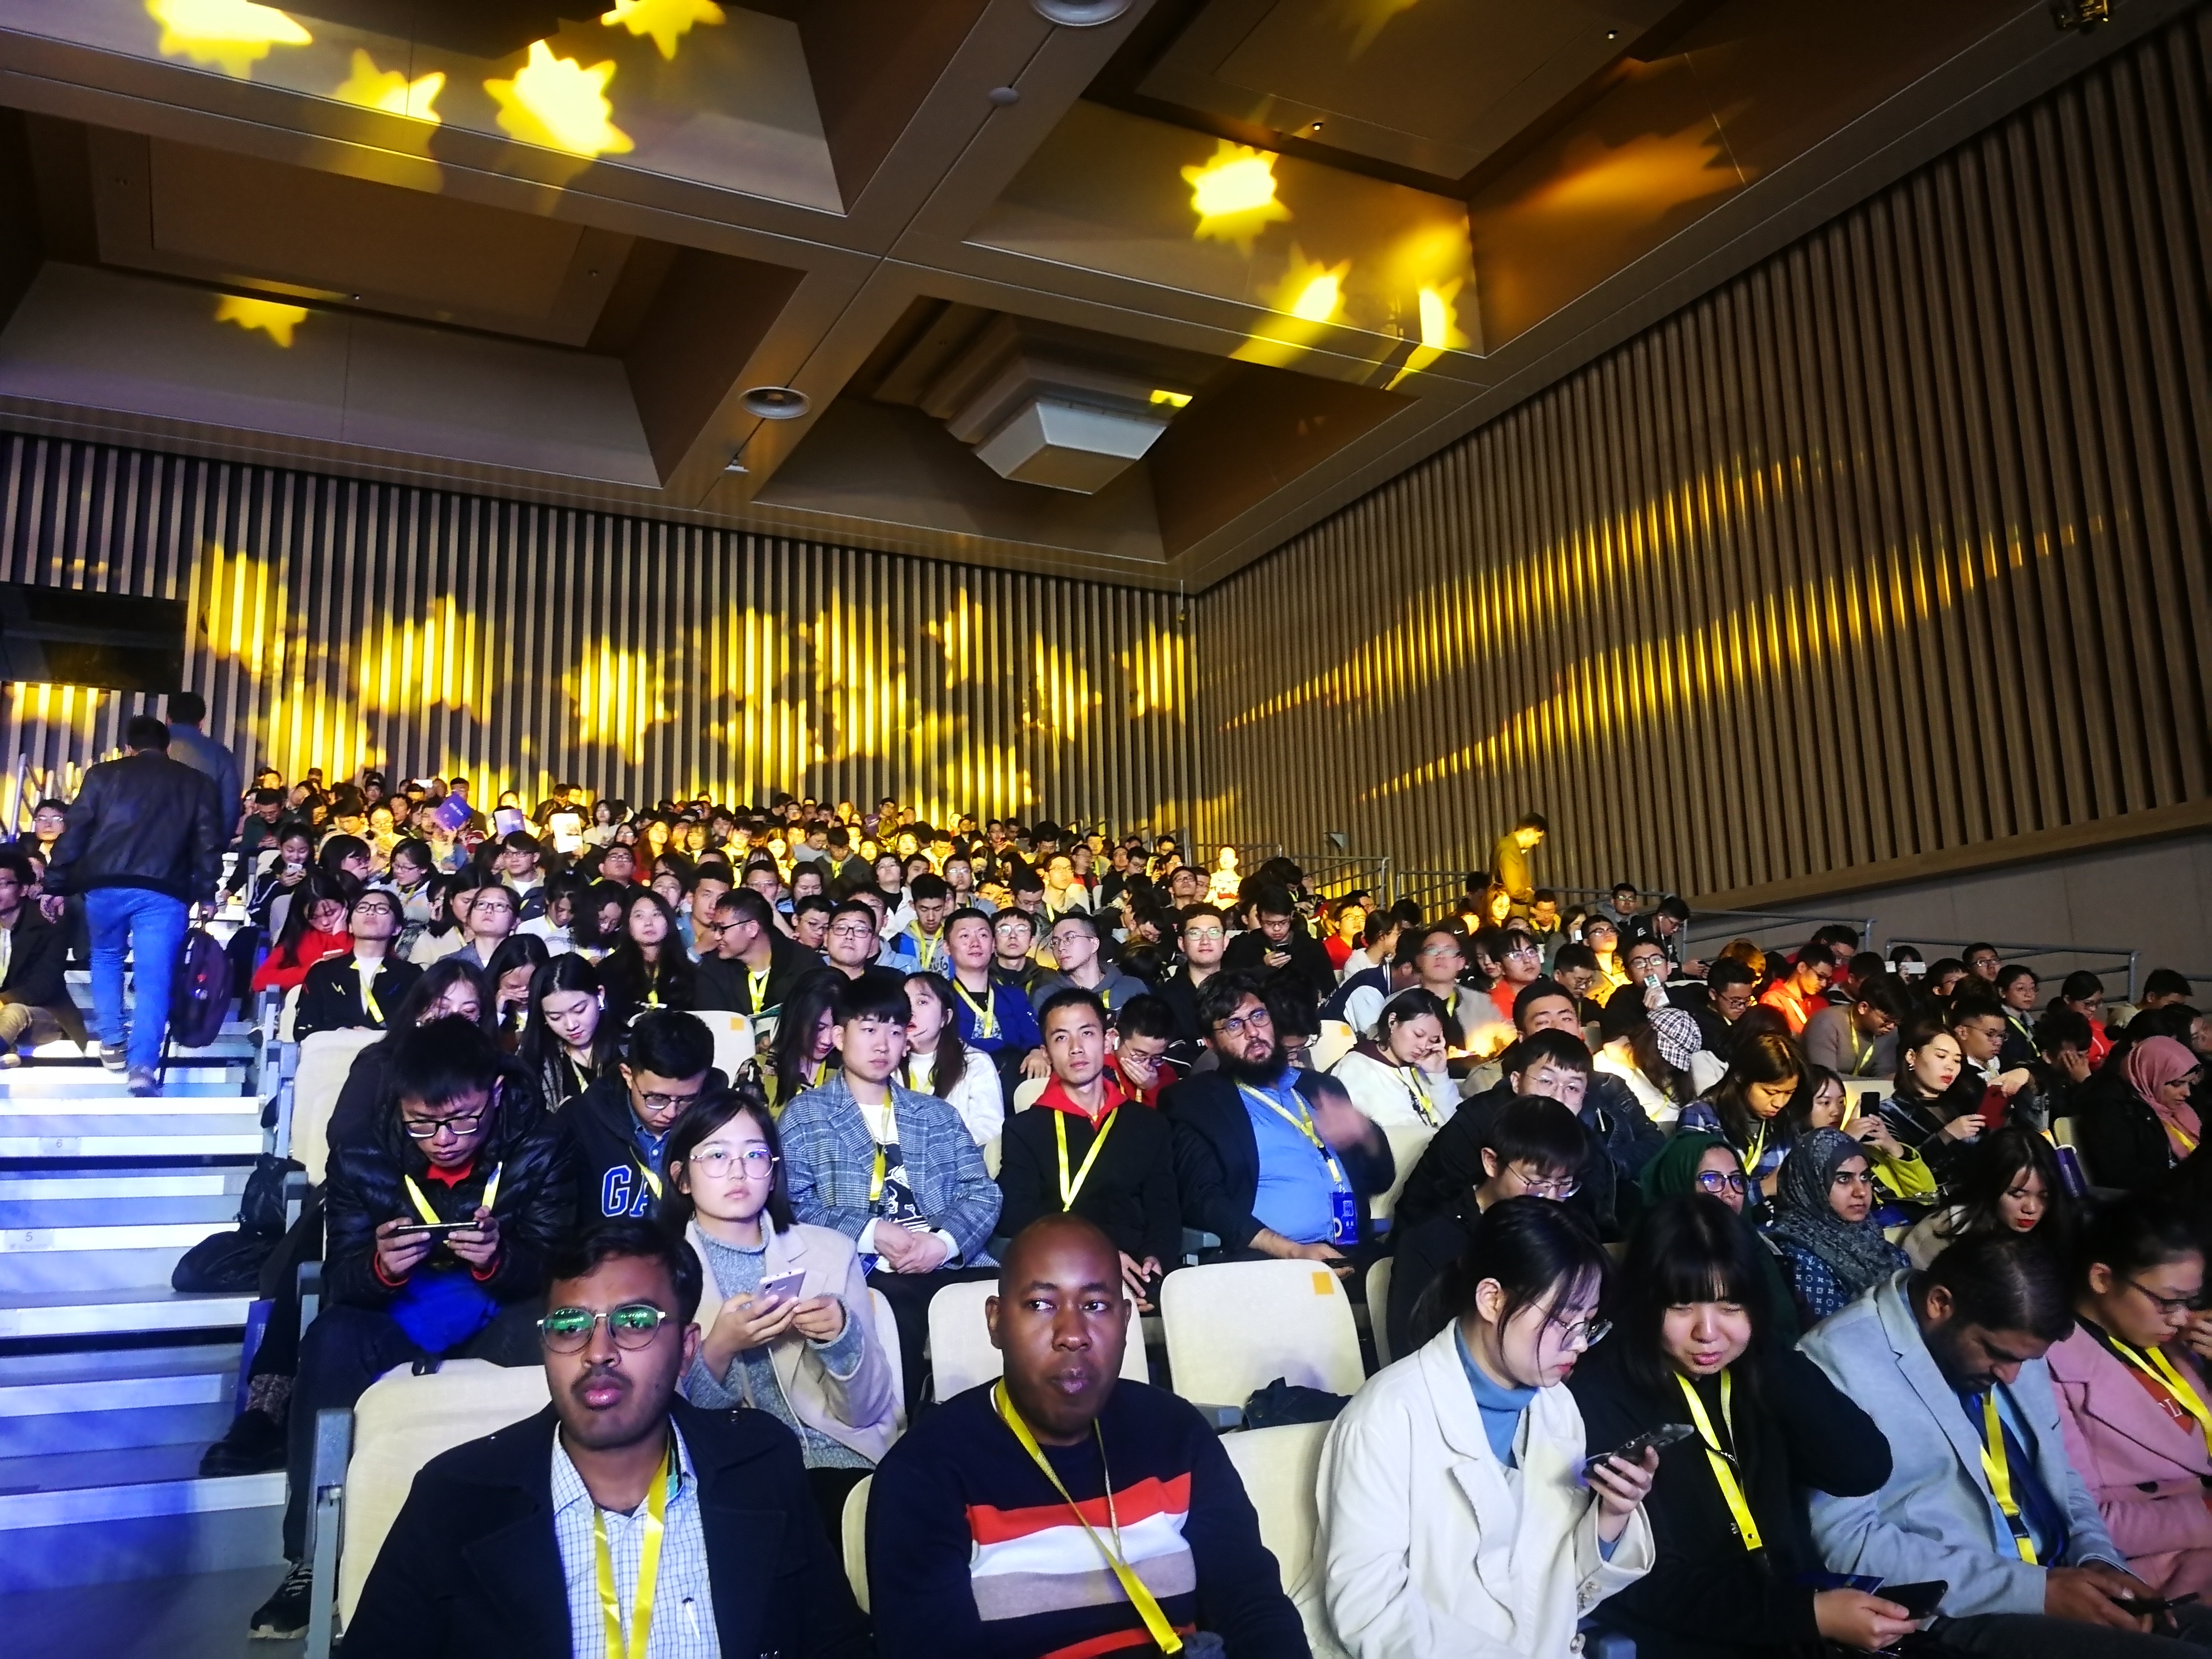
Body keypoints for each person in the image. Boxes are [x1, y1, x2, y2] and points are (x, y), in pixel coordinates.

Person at [341, 1219, 868, 1659]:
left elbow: (834, 1643)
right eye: (570, 1325)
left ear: (687, 1350)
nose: (598, 1352)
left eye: (634, 1321)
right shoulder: (457, 1497)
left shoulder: (759, 1464)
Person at [250, 1018, 574, 1639]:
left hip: (502, 1307)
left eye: (462, 1121)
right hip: (401, 1310)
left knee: (558, 1332)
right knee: (332, 1339)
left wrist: (500, 1259)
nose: (443, 1140)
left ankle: (544, 1532)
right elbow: (342, 1277)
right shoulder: (363, 1150)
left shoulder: (542, 1142)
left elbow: (557, 1263)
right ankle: (314, 1556)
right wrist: (380, 1266)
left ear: (495, 1093)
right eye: (422, 1124)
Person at [865, 1214, 1308, 1657]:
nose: (1073, 1335)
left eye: (1095, 1306)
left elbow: (1253, 1607)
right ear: (996, 1322)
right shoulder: (924, 1472)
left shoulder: (1175, 1432)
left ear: (1126, 1321)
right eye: (1041, 1304)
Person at [1803, 1232, 2212, 1653]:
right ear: (1940, 1304)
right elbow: (1848, 1544)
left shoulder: (2013, 1340)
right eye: (1997, 1353)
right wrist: (2035, 1591)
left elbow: (2062, 1477)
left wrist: (2098, 1561)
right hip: (1960, 1609)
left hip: (2061, 1575)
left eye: (2025, 1361)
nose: (2011, 1376)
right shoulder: (1840, 1360)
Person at [1568, 1195, 1910, 1658]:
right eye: (1682, 1305)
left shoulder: (1760, 1367)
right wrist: (1809, 1615)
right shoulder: (1601, 1394)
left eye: (1730, 1305)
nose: (1708, 1333)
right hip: (1691, 1641)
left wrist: (1766, 1355)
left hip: (1797, 1621)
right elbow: (1647, 1586)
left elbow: (1863, 1470)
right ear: (1645, 1300)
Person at [1316, 1198, 1656, 1657]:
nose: (1579, 1344)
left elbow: (1551, 1596)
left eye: (1589, 1324)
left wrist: (1612, 1516)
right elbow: (1370, 1609)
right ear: (1492, 1299)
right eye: (1564, 1321)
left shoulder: (1556, 1406)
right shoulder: (1387, 1417)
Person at [662, 1088, 898, 1542]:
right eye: (716, 1155)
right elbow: (671, 1427)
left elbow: (866, 1411)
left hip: (839, 1462)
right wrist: (719, 1349)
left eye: (755, 1155)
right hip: (729, 1472)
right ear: (682, 1178)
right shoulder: (657, 1271)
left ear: (772, 1174)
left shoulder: (832, 1251)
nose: (738, 1171)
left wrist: (841, 1340)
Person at [778, 971, 1002, 1405]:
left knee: (1020, 1299)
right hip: (865, 1268)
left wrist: (944, 1243)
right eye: (869, 1030)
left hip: (948, 1260)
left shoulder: (935, 1115)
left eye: (896, 1031)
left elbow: (982, 1192)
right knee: (899, 1317)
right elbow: (795, 1206)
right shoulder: (805, 1116)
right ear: (839, 1037)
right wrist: (872, 1233)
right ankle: (912, 1429)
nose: (883, 1044)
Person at [38, 714, 225, 1093]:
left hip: (104, 885)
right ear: (167, 747)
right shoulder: (196, 782)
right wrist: (207, 891)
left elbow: (76, 832)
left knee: (106, 957)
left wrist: (55, 884)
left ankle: (111, 1040)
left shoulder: (102, 775)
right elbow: (208, 841)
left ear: (128, 747)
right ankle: (142, 1067)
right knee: (155, 977)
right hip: (165, 889)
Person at [1162, 972, 1394, 1274]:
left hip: (1353, 1249)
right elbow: (1203, 1200)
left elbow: (1381, 1180)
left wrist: (1365, 1134)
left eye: (1258, 1016)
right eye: (1234, 1025)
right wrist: (1291, 1251)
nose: (1252, 1032)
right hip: (1273, 1262)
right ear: (1211, 1043)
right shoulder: (1198, 1102)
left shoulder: (1322, 1088)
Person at [2045, 1201, 2212, 1600]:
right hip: (2164, 1569)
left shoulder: (2173, 1341)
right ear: (2102, 1279)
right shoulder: (2050, 1367)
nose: (2180, 1317)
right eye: (2168, 1301)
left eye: (2189, 1301)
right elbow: (2086, 1523)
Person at [996, 988, 1181, 1312]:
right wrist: (1102, 1256)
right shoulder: (1024, 1130)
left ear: (1108, 1040)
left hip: (1137, 1270)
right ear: (1047, 1053)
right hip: (1061, 1270)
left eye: (1087, 1033)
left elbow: (1163, 1207)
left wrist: (1155, 1260)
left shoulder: (1148, 1124)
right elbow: (1015, 1215)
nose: (1076, 1048)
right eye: (1061, 1038)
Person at [1387, 1095, 1591, 1360]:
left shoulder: (1571, 1232)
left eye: (1564, 1184)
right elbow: (1412, 1348)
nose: (1551, 1199)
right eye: (1536, 1183)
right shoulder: (1431, 1241)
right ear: (1492, 1162)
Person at [556, 1008, 717, 1223]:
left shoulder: (723, 1123)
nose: (671, 1113)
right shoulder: (580, 1123)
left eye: (687, 1100)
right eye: (657, 1098)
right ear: (628, 1076)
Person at [1762, 1127, 1911, 1323]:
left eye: (1865, 1177)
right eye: (1844, 1179)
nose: (1861, 1191)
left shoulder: (1866, 1231)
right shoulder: (1799, 1259)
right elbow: (1839, 1329)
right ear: (1811, 1184)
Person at [1904, 1124, 2075, 1269]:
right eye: (2017, 1195)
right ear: (1989, 1186)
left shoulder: (2057, 1229)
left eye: (2044, 1196)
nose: (2031, 1208)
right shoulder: (1942, 1231)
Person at [1679, 1030, 1807, 1205]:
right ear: (1740, 1076)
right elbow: (1700, 1197)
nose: (1779, 1103)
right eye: (1770, 1092)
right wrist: (1764, 1188)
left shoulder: (1785, 1121)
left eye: (1788, 1093)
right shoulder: (1701, 1116)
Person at [293, 886, 423, 1039]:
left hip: (388, 1052)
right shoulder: (322, 973)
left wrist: (376, 1038)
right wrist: (344, 1034)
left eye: (382, 909)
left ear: (397, 928)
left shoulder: (412, 975)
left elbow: (419, 1029)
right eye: (362, 908)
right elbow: (303, 1029)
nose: (370, 912)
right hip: (333, 1051)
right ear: (350, 926)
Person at [2079, 1036, 2202, 1192]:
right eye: (2177, 1084)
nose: (2187, 1093)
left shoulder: (2176, 1110)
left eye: (2189, 1083)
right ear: (2151, 1075)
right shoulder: (2110, 1107)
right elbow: (2121, 1174)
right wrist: (2185, 1180)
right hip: (2149, 1199)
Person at [1882, 1017, 1992, 1185]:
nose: (1950, 1067)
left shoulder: (1964, 1102)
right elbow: (1901, 1172)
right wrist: (1946, 1136)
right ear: (1912, 1056)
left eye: (1957, 1060)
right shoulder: (1889, 1112)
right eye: (1941, 1056)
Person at [900, 970, 1005, 1145]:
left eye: (922, 1002)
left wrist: (942, 1148)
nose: (911, 1012)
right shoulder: (887, 1061)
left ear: (945, 1017)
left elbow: (990, 1129)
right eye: (905, 1002)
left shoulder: (975, 1063)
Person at [943, 907, 1045, 1086]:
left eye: (983, 935)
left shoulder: (1015, 997)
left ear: (993, 945)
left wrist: (1036, 1052)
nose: (975, 943)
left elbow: (1034, 1040)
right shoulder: (939, 1000)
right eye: (965, 936)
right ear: (947, 947)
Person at [1329, 988, 1456, 1129]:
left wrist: (1439, 1077)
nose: (1424, 1046)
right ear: (1392, 1021)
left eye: (1433, 1040)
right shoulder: (1356, 1068)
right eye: (1418, 1035)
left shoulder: (1423, 1070)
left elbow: (1458, 1124)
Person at [692, 885, 812, 1030]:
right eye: (715, 929)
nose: (716, 937)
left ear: (752, 929)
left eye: (722, 929)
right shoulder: (712, 968)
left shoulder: (805, 966)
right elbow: (712, 1028)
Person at [0, 847, 74, 1064]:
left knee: (14, 1012)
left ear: (24, 889)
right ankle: (7, 1049)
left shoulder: (48, 927)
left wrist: (2, 1001)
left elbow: (43, 986)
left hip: (42, 1014)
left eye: (3, 884)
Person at [518, 954, 617, 1111]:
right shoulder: (535, 1061)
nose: (571, 1026)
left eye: (579, 1010)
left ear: (600, 995)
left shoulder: (632, 1044)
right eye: (556, 1017)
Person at [1220, 883, 1335, 1002]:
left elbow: (1329, 987)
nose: (1277, 929)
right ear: (1259, 918)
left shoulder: (1310, 947)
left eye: (1283, 922)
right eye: (1269, 923)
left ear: (1291, 916)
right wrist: (1263, 968)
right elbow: (1232, 985)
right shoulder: (1244, 946)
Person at [1029, 910, 1147, 1014]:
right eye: (1055, 942)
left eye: (1069, 938)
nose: (1060, 947)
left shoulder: (1132, 988)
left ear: (1094, 944)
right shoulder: (1047, 997)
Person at [599, 889, 696, 1015]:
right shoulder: (609, 969)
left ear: (668, 921)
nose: (649, 923)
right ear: (628, 924)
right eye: (639, 916)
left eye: (656, 915)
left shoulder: (686, 970)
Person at [163, 691, 241, 838]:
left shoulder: (149, 749)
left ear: (168, 719)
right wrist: (219, 845)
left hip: (153, 844)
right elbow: (230, 807)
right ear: (201, 722)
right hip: (200, 841)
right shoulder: (221, 754)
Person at [1801, 973, 1910, 1079]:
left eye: (1896, 1023)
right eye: (1886, 1021)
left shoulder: (1890, 1032)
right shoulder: (1825, 1023)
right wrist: (1880, 1082)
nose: (1891, 1027)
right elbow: (1825, 1079)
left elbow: (1885, 1073)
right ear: (1863, 1008)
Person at [1155, 902, 1229, 1043]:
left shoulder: (1243, 991)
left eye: (1214, 933)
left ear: (1225, 942)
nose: (1205, 941)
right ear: (1182, 943)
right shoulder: (1165, 1000)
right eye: (1195, 934)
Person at [1757, 944, 1833, 1036]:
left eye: (1828, 979)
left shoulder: (1821, 1003)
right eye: (1820, 976)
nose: (1824, 984)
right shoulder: (1773, 1001)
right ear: (1802, 967)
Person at [1488, 811, 1548, 917]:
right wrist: (1530, 895)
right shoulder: (1510, 851)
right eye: (1538, 837)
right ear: (1529, 832)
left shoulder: (1510, 846)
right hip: (1512, 915)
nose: (1537, 842)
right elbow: (1515, 891)